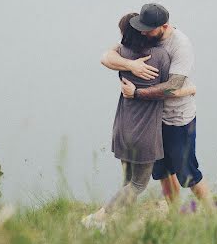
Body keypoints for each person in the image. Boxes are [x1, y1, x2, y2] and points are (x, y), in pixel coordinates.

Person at [82, 12, 195, 230]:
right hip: (144, 132)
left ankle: (122, 224)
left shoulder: (123, 54)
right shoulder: (160, 57)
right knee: (137, 184)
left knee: (127, 182)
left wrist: (129, 65)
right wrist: (190, 89)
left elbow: (107, 56)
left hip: (122, 127)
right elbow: (171, 87)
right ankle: (97, 219)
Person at [101, 3, 212, 205]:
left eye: (148, 29)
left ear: (164, 26)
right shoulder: (145, 38)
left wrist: (137, 93)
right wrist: (130, 65)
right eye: (141, 27)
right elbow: (106, 56)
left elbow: (172, 86)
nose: (143, 32)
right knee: (162, 172)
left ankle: (215, 217)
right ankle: (175, 215)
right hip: (154, 121)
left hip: (178, 119)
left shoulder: (180, 45)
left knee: (188, 173)